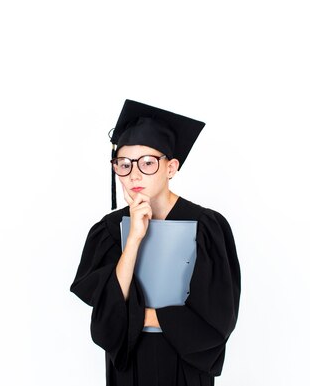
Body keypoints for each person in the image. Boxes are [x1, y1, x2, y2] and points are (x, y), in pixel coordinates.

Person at [70, 99, 241, 386]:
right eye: (124, 164)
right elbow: (107, 319)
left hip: (184, 368)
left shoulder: (206, 227)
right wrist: (135, 238)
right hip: (127, 369)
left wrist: (137, 317)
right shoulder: (109, 231)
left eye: (148, 162)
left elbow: (216, 320)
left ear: (171, 167)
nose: (134, 174)